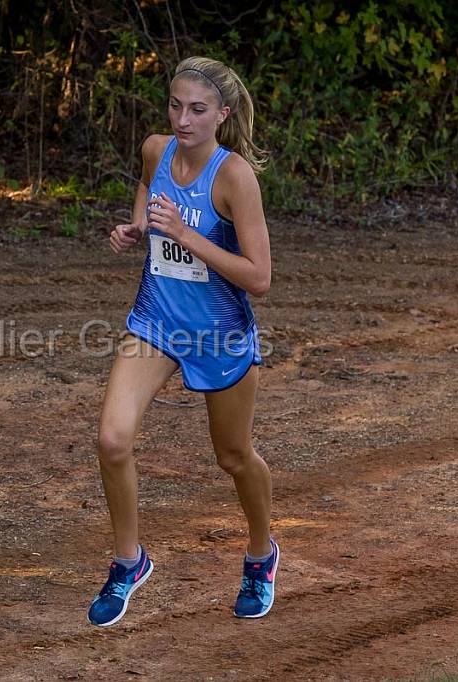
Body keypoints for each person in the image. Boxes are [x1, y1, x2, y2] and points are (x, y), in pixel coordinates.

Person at [87, 56, 274, 627]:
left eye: (197, 110)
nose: (184, 120)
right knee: (112, 439)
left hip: (219, 334)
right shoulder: (155, 149)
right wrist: (139, 226)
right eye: (175, 106)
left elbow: (259, 278)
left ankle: (261, 556)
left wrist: (187, 236)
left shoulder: (234, 176)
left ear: (222, 114)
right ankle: (129, 561)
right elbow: (147, 186)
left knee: (233, 457)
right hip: (156, 321)